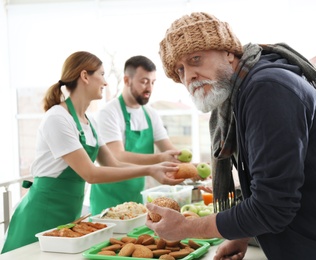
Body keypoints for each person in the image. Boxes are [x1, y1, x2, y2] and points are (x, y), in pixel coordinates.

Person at [145, 12, 316, 260]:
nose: (189, 76)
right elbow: (269, 182)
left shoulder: (267, 89)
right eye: (180, 69)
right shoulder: (244, 93)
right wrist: (240, 234)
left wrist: (186, 228)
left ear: (229, 51)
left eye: (195, 59)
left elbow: (273, 206)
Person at [1, 51, 183, 254]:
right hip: (41, 214)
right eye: (102, 74)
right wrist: (150, 170)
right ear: (85, 76)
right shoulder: (58, 118)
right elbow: (91, 174)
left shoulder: (90, 122)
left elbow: (112, 163)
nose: (105, 82)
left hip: (69, 216)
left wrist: (155, 168)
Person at [89, 55, 181, 215]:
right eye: (144, 81)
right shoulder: (109, 113)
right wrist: (160, 159)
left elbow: (170, 151)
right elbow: (117, 157)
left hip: (136, 201)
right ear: (126, 80)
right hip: (107, 201)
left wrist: (194, 170)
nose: (149, 88)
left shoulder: (151, 114)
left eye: (152, 82)